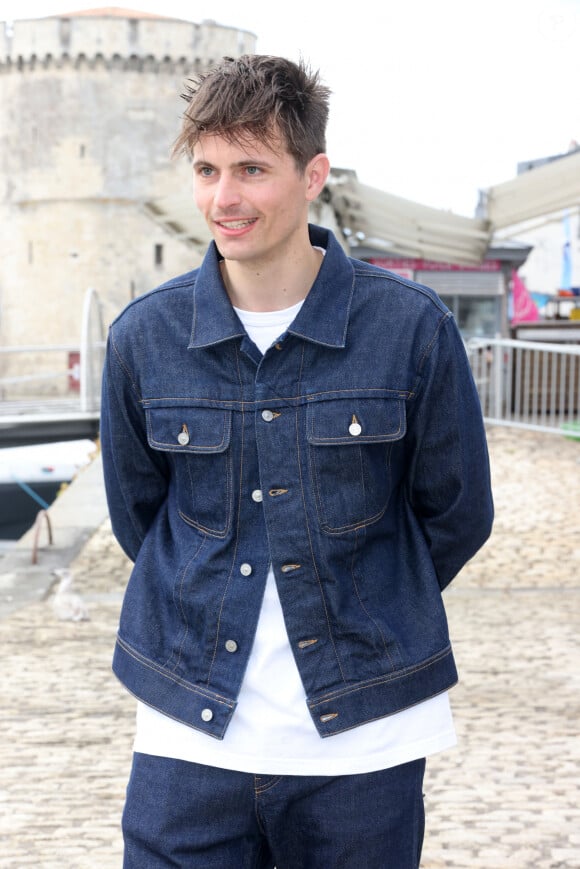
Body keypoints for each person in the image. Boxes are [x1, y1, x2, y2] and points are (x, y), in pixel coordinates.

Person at [100, 54, 494, 868]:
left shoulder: (411, 329)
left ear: (313, 173)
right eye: (207, 169)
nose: (223, 198)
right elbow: (140, 516)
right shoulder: (143, 338)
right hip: (188, 735)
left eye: (251, 168)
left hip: (362, 747)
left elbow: (456, 512)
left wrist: (367, 598)